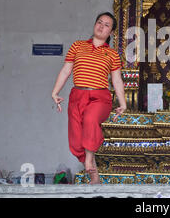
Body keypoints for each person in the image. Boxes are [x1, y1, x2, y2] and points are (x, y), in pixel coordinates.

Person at [51, 12, 126, 184]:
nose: (101, 26)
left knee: (91, 119)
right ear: (94, 24)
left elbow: (116, 80)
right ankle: (95, 176)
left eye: (107, 25)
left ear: (111, 32)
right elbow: (65, 70)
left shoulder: (113, 54)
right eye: (99, 22)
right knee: (77, 142)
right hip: (78, 95)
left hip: (100, 97)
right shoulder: (77, 46)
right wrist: (55, 92)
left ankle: (89, 159)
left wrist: (123, 103)